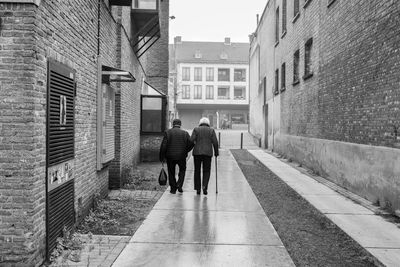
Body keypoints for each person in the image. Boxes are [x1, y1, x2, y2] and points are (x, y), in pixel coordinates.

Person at [159, 119, 193, 194]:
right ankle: (180, 185)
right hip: (181, 156)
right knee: (182, 170)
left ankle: (173, 189)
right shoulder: (185, 133)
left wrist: (162, 157)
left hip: (170, 156)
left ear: (172, 124)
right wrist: (186, 150)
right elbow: (191, 143)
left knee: (171, 172)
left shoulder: (168, 132)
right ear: (180, 125)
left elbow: (164, 145)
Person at [190, 117, 219, 195]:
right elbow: (215, 142)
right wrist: (216, 153)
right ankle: (204, 186)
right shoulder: (211, 130)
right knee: (206, 170)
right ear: (208, 123)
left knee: (197, 170)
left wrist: (189, 149)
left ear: (200, 123)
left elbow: (191, 140)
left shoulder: (196, 129)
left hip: (197, 153)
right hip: (207, 153)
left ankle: (198, 189)